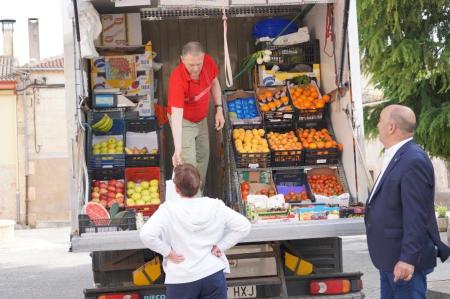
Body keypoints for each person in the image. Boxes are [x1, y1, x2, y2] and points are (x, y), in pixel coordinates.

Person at [365, 104, 450, 299]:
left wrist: (407, 259)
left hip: (403, 264)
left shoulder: (413, 160)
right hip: (389, 258)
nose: (377, 125)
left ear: (391, 127)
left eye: (380, 121)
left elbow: (416, 216)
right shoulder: (398, 156)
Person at [140, 163, 251, 299]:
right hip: (212, 274)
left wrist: (167, 252)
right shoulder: (215, 205)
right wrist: (221, 246)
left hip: (182, 278)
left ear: (176, 188)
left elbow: (146, 235)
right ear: (199, 184)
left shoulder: (168, 209)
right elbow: (244, 226)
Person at [168, 41, 225, 192]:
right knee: (189, 164)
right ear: (182, 59)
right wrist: (177, 148)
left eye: (198, 64)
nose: (195, 69)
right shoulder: (177, 78)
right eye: (191, 65)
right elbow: (177, 114)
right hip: (183, 121)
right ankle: (192, 202)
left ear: (204, 58)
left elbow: (214, 82)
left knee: (203, 159)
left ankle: (198, 195)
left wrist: (219, 109)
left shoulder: (209, 63)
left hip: (201, 119)